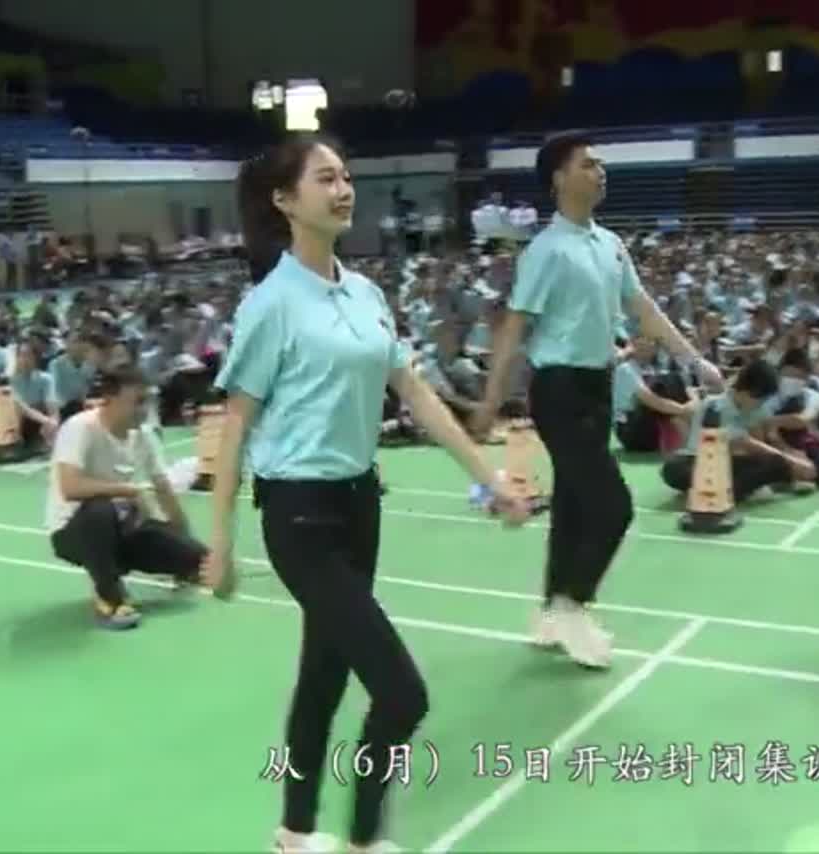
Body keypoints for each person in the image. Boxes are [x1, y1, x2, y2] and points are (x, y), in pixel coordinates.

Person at [201, 134, 529, 854]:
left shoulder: (366, 294)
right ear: (285, 201)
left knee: (324, 675)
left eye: (346, 176)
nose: (343, 189)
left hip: (359, 507)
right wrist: (220, 543)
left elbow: (416, 393)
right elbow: (236, 425)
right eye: (325, 179)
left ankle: (294, 833)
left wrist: (490, 477)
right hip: (298, 515)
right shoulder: (270, 304)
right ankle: (363, 837)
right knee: (403, 693)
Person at [470, 131, 724, 670]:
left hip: (598, 386)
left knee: (573, 503)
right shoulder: (546, 250)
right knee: (613, 506)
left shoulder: (609, 244)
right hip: (559, 388)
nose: (600, 170)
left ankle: (550, 609)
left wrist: (694, 359)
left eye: (600, 163)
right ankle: (573, 604)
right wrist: (491, 400)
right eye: (588, 164)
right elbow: (515, 326)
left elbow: (643, 307)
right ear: (559, 178)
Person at [47, 365, 203, 630]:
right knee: (100, 509)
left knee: (200, 560)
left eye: (147, 401)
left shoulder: (143, 435)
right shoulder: (80, 427)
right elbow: (70, 487)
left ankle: (118, 566)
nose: (144, 409)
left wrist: (185, 541)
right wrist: (126, 491)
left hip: (124, 529)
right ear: (109, 399)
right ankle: (109, 598)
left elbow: (164, 490)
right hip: (74, 532)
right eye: (137, 402)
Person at [659, 360, 800, 502]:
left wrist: (784, 458)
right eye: (761, 399)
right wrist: (790, 461)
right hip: (698, 462)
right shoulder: (716, 406)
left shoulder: (755, 409)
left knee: (775, 463)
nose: (762, 404)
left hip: (729, 465)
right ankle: (733, 490)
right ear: (746, 392)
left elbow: (759, 444)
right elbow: (747, 443)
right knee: (673, 469)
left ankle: (723, 489)